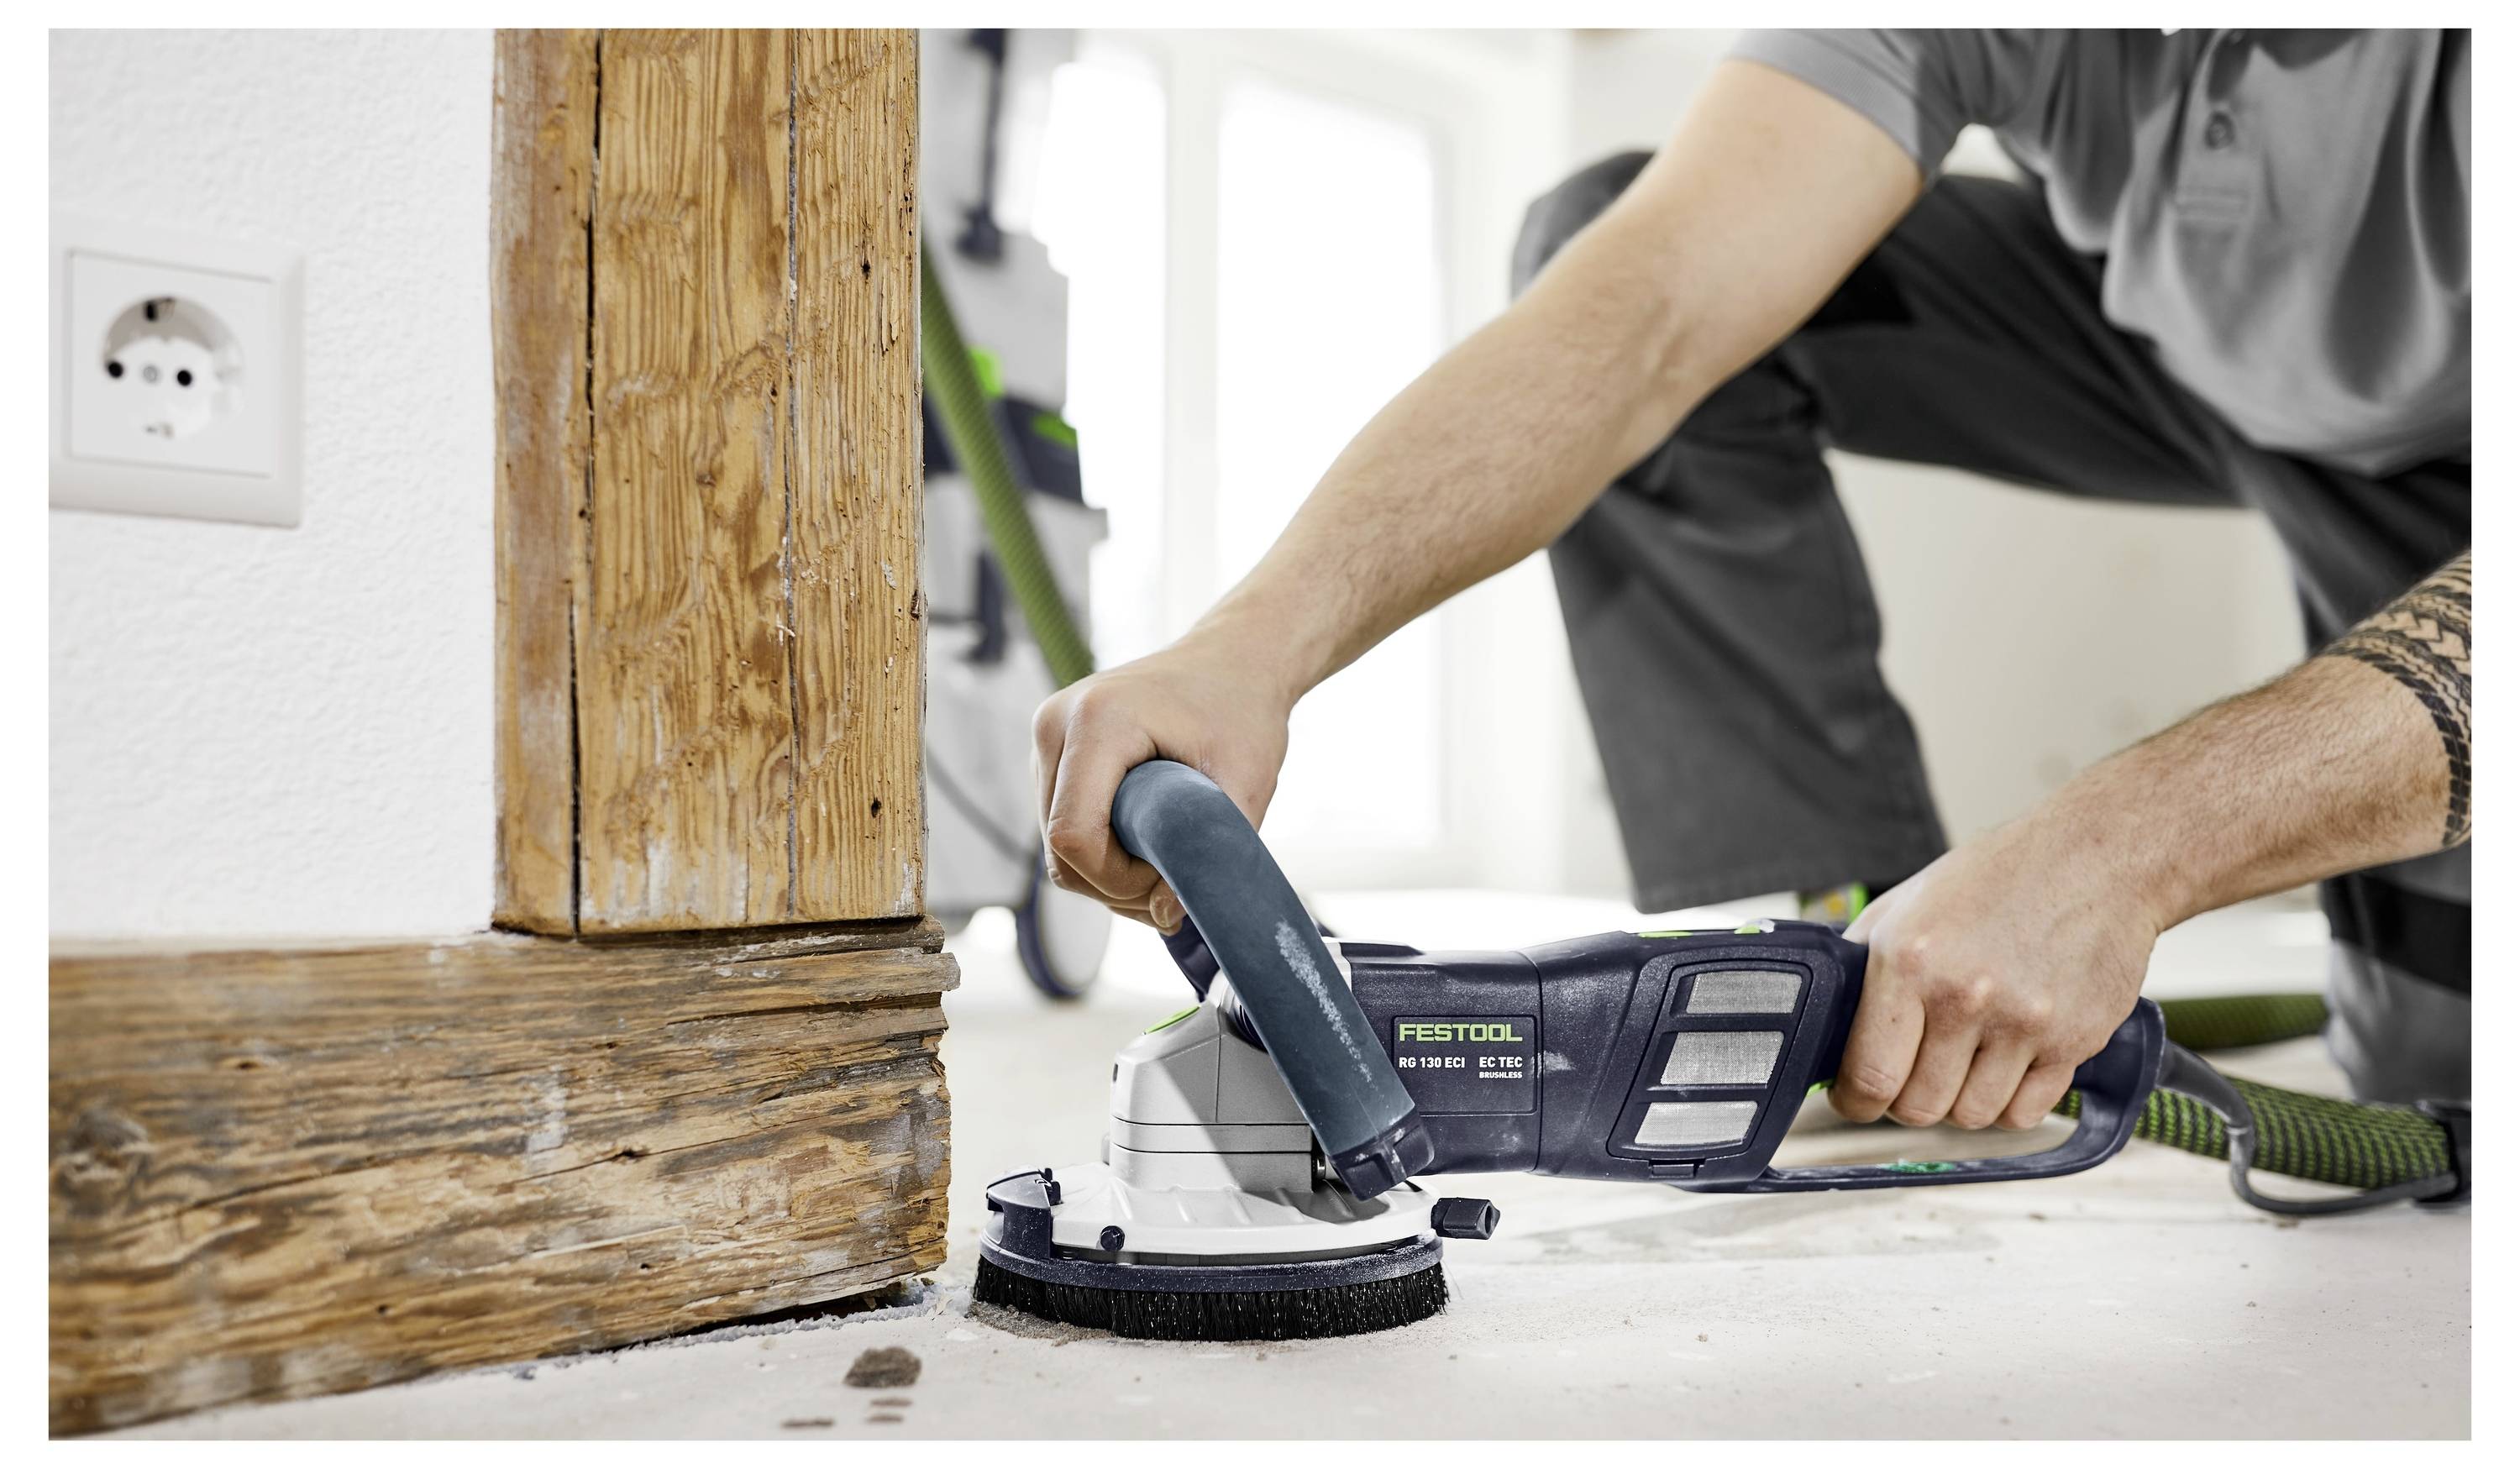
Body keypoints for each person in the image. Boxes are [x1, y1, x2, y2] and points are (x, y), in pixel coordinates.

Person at [1031, 30, 2470, 1125]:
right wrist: (1252, 646)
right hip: (2179, 364)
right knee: (1604, 234)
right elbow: (1653, 311)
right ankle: (1844, 955)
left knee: (2439, 1071)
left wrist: (2118, 846)